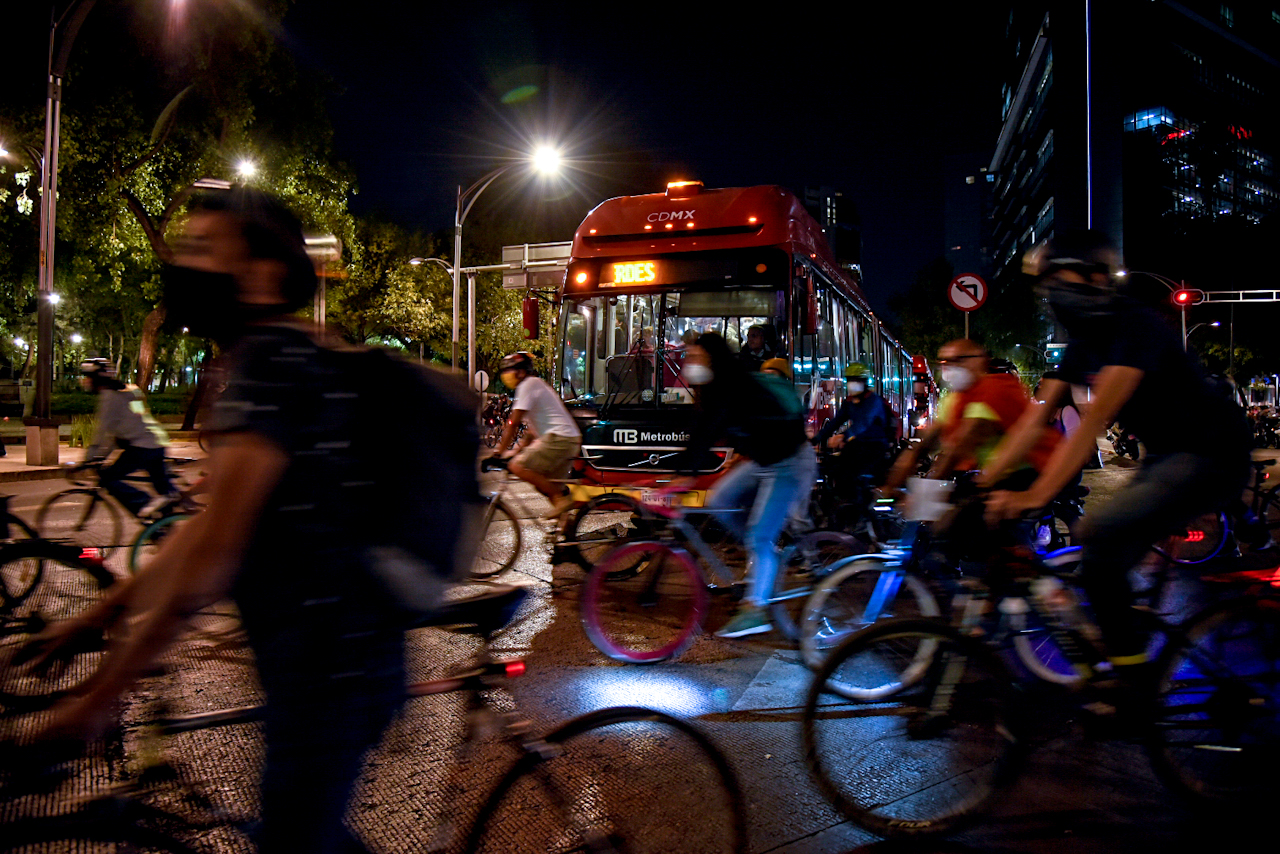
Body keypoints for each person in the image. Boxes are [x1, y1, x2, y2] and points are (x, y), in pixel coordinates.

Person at [28, 187, 407, 854]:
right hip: (328, 663)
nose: (184, 265)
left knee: (295, 835)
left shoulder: (273, 362)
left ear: (260, 274)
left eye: (203, 250)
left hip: (332, 673)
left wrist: (101, 698)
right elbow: (204, 530)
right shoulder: (273, 354)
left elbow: (213, 554)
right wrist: (100, 614)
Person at [984, 229, 1250, 692]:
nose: (1052, 295)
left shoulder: (1137, 326)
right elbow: (1034, 420)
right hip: (1167, 456)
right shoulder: (1084, 344)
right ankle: (1129, 648)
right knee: (1097, 559)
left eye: (1058, 280)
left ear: (1095, 277)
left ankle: (1130, 680)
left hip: (1209, 453)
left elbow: (1092, 422)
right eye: (1046, 286)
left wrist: (1034, 495)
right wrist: (984, 483)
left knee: (1101, 533)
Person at [680, 332, 811, 638]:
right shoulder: (712, 391)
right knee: (718, 500)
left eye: (696, 358)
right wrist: (680, 474)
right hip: (761, 461)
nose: (690, 363)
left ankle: (755, 611)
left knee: (759, 537)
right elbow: (700, 431)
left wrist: (683, 476)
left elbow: (709, 431)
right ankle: (766, 553)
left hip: (790, 460)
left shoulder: (734, 387)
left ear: (714, 360)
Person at [883, 339, 1060, 496]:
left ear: (980, 361)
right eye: (944, 363)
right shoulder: (956, 398)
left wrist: (927, 496)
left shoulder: (995, 389)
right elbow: (924, 444)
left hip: (1028, 472)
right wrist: (889, 487)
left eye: (958, 361)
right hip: (989, 474)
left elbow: (963, 444)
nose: (949, 368)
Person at [78, 357, 178, 518]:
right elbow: (126, 426)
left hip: (141, 448)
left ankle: (145, 503)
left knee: (109, 479)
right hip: (156, 443)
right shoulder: (130, 390)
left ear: (96, 378)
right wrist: (102, 455)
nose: (85, 381)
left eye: (87, 377)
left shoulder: (109, 397)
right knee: (168, 495)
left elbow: (102, 431)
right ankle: (166, 530)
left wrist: (88, 458)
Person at [495, 351, 583, 518]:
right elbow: (530, 433)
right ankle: (568, 528)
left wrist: (498, 452)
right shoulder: (535, 385)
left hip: (559, 439)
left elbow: (512, 423)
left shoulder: (528, 385)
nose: (506, 375)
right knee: (544, 484)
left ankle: (561, 500)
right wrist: (515, 451)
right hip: (568, 440)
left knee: (517, 466)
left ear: (521, 371)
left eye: (510, 370)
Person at [814, 363, 891, 495]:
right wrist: (816, 439)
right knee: (833, 467)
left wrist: (843, 436)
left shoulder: (873, 401)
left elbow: (864, 422)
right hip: (858, 444)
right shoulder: (849, 402)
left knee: (850, 473)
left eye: (856, 380)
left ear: (864, 382)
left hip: (875, 445)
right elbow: (836, 422)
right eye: (850, 381)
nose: (852, 384)